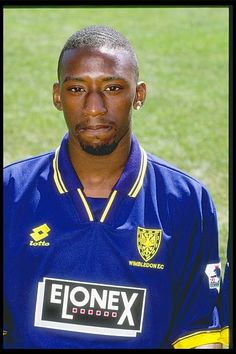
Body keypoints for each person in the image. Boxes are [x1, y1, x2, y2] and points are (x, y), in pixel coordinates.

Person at [4, 24, 224, 349]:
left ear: (139, 95)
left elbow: (198, 335)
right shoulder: (11, 192)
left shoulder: (186, 200)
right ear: (57, 97)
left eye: (113, 88)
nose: (94, 107)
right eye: (77, 89)